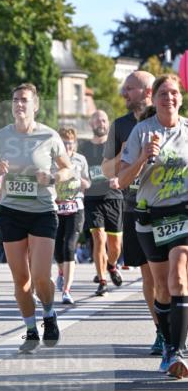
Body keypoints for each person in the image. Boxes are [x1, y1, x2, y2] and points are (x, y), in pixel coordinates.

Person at [0, 83, 72, 352]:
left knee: (41, 276)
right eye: (15, 100)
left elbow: (67, 170)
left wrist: (54, 177)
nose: (19, 105)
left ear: (35, 105)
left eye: (24, 100)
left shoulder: (49, 136)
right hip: (11, 212)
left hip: (43, 211)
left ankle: (49, 313)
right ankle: (31, 330)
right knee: (21, 279)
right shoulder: (0, 137)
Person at [119, 74, 188, 378]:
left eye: (174, 93)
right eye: (163, 93)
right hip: (150, 214)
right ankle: (167, 342)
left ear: (181, 98)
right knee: (161, 287)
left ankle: (178, 351)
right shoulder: (141, 132)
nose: (169, 98)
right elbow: (122, 180)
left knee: (179, 277)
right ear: (154, 97)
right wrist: (144, 159)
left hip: (183, 212)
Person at [102, 71, 160, 352]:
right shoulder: (120, 126)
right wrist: (123, 153)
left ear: (148, 91)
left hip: (166, 206)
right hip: (133, 206)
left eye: (130, 89)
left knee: (173, 272)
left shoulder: (164, 122)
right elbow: (105, 170)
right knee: (148, 277)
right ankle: (161, 330)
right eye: (124, 89)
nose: (124, 94)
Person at [80, 109, 124, 296]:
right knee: (99, 238)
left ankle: (112, 266)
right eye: (97, 120)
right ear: (91, 124)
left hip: (113, 197)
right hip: (92, 199)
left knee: (115, 246)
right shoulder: (83, 148)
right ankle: (102, 280)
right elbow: (76, 169)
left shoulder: (115, 146)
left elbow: (127, 166)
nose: (101, 124)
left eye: (104, 120)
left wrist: (119, 178)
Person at [54, 127, 90, 304]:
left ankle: (66, 290)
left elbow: (88, 183)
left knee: (69, 246)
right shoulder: (53, 160)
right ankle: (61, 272)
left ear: (74, 144)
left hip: (76, 208)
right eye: (64, 143)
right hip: (57, 209)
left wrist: (82, 181)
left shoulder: (80, 160)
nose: (67, 147)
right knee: (57, 249)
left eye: (70, 143)